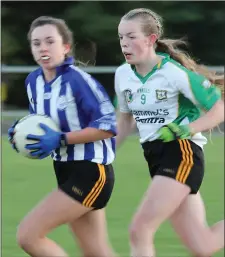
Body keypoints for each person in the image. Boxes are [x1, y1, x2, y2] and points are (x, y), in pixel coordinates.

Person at [115, 8, 224, 257]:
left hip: (182, 154)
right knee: (203, 245)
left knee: (139, 230)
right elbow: (124, 122)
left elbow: (218, 110)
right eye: (121, 37)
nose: (124, 43)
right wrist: (103, 154)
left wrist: (186, 129)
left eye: (131, 36)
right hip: (155, 157)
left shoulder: (174, 73)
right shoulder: (123, 75)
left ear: (151, 39)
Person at [8, 16, 117, 257]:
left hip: (91, 171)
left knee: (28, 235)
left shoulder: (79, 81)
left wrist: (61, 139)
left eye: (50, 41)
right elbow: (42, 122)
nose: (43, 48)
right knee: (97, 252)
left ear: (65, 47)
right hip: (64, 169)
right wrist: (20, 133)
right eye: (36, 43)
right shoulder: (32, 82)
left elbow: (108, 126)